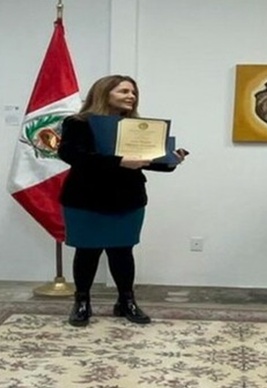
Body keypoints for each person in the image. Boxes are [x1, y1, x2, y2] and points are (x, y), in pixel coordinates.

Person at [58, 75, 188, 327]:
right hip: (85, 198)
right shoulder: (77, 123)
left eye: (134, 92)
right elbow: (71, 154)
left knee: (122, 250)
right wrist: (118, 161)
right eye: (124, 91)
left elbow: (146, 161)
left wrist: (171, 159)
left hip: (127, 199)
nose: (131, 96)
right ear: (104, 92)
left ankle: (126, 301)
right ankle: (82, 302)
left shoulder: (137, 126)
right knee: (87, 251)